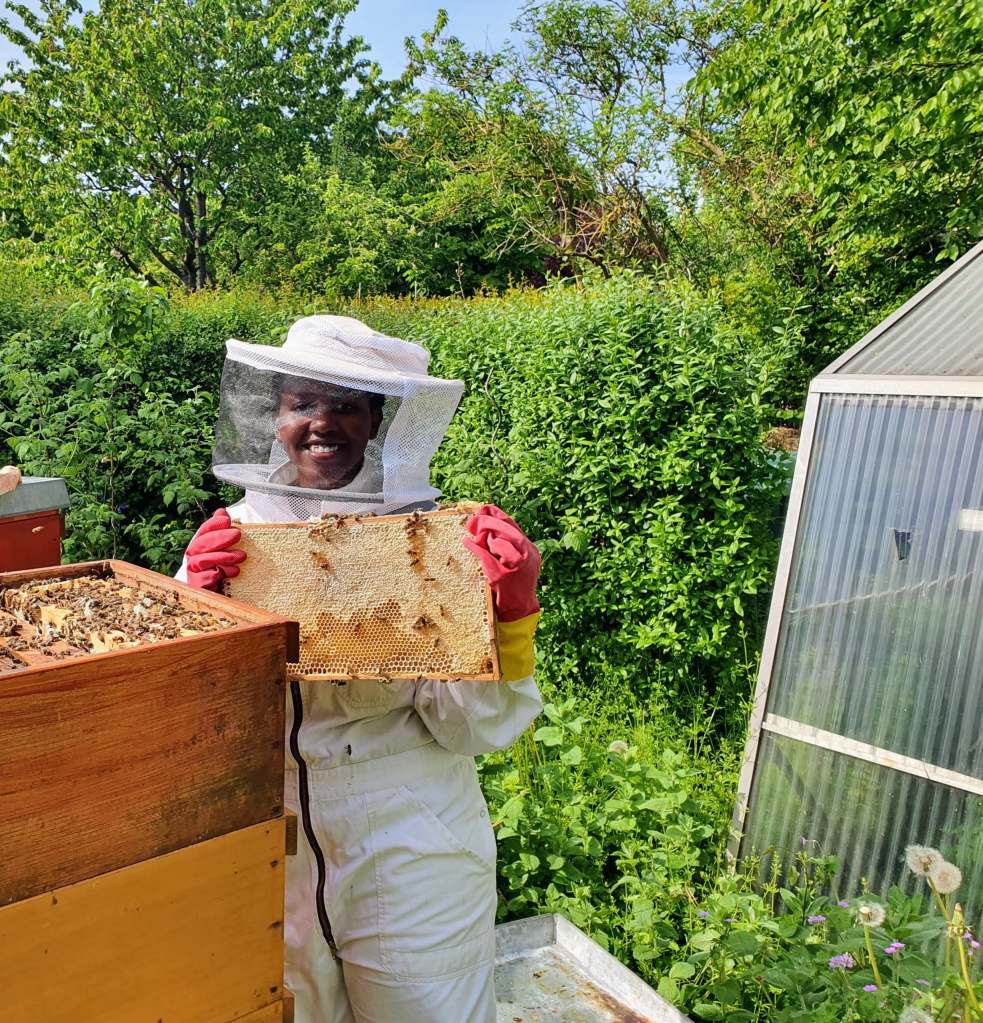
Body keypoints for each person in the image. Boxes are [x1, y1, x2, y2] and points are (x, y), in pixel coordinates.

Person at [177, 316, 543, 1023]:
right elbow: (188, 725)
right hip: (272, 840)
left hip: (410, 836)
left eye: (345, 404)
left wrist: (509, 620)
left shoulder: (427, 540)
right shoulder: (229, 540)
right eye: (302, 402)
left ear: (377, 420)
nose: (322, 422)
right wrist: (193, 608)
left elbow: (475, 730)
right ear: (275, 416)